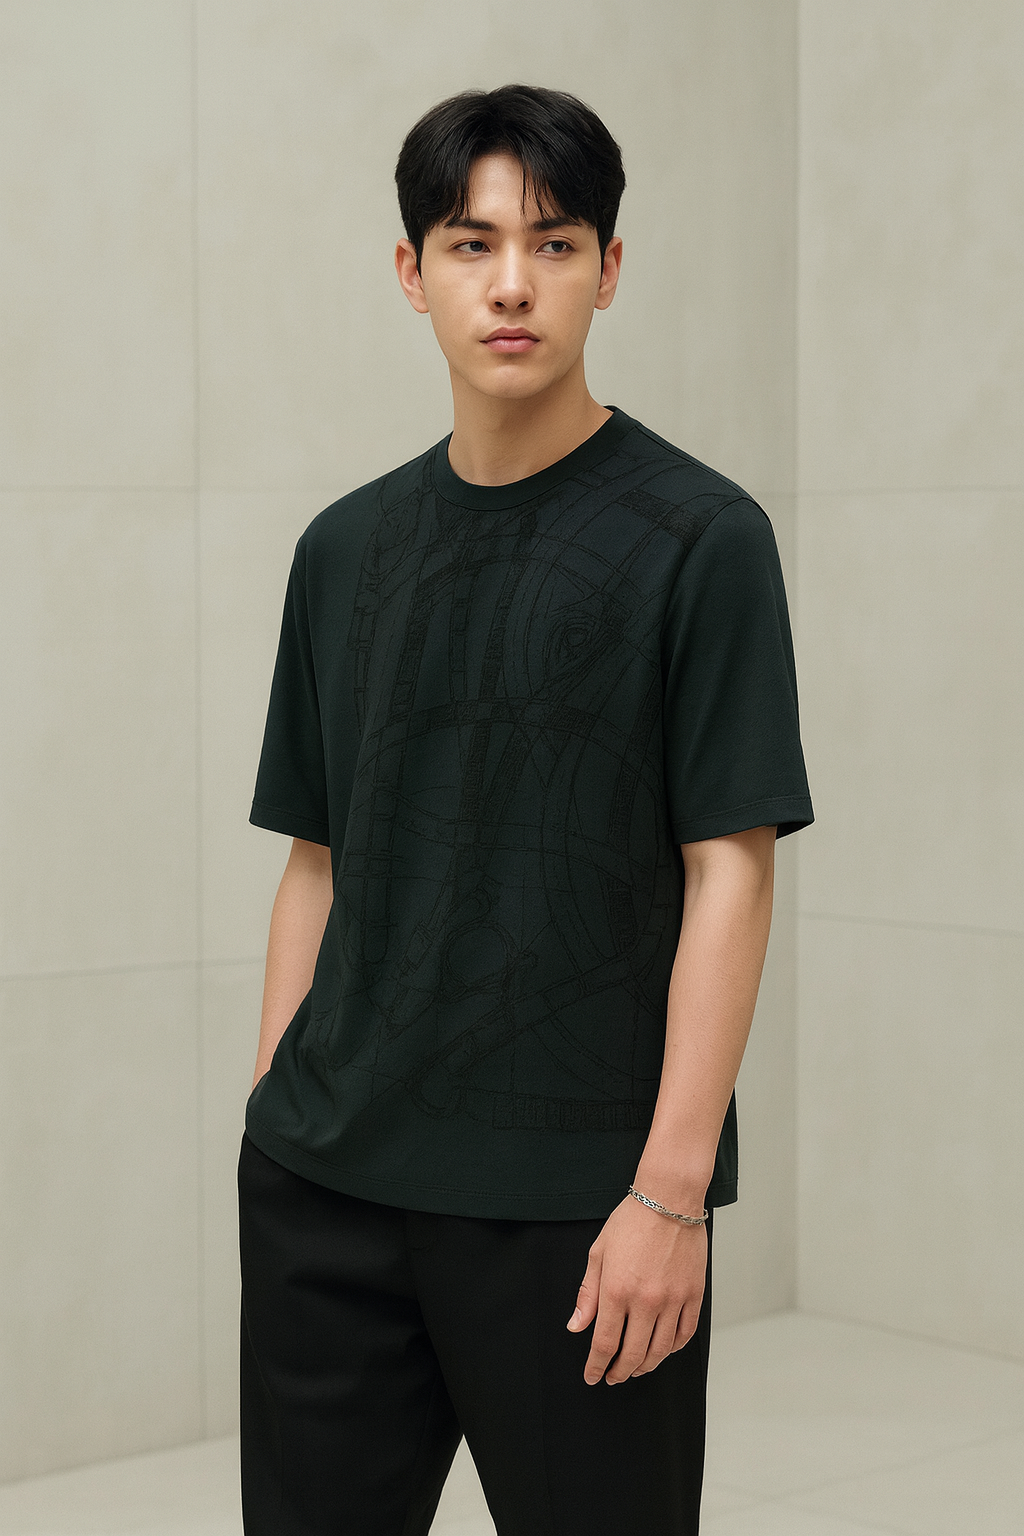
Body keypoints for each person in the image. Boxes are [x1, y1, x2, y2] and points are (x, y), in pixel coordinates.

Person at [237, 83, 813, 1536]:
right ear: (411, 271)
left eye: (554, 244)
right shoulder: (342, 548)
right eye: (471, 242)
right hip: (329, 1187)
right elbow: (318, 860)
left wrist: (670, 1195)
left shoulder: (702, 538)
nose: (511, 284)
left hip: (581, 1212)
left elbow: (731, 871)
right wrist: (273, 1115)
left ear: (609, 271)